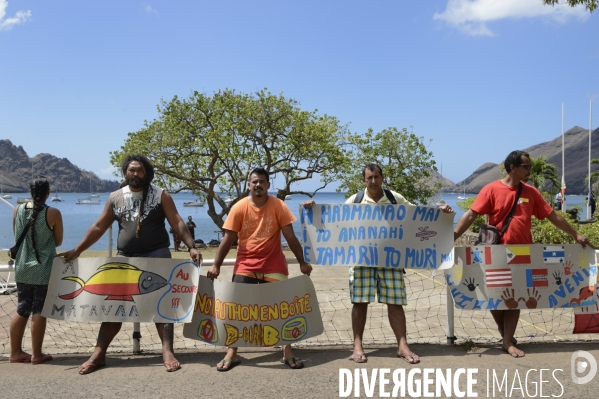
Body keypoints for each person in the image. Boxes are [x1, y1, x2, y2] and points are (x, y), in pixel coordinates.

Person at [59, 154, 202, 374]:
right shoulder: (115, 197)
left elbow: (177, 221)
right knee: (116, 306)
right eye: (131, 170)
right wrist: (77, 250)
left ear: (147, 173)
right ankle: (99, 354)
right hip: (126, 258)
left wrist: (191, 245)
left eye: (140, 170)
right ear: (125, 172)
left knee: (161, 306)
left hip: (157, 254)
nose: (135, 174)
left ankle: (167, 351)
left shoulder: (160, 195)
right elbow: (98, 227)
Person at [304, 163, 453, 365]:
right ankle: (357, 346)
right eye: (369, 178)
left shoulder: (394, 199)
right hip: (361, 260)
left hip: (391, 260)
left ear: (382, 178)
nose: (373, 181)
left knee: (395, 301)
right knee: (360, 301)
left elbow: (417, 216)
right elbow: (334, 221)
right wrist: (313, 210)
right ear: (363, 180)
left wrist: (439, 211)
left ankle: (402, 345)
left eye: (376, 176)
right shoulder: (355, 200)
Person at [454, 150, 593, 358]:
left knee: (516, 298)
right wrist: (454, 235)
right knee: (494, 298)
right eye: (526, 166)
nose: (530, 170)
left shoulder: (531, 192)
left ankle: (507, 341)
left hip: (523, 255)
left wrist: (575, 234)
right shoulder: (491, 189)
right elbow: (471, 214)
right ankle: (506, 336)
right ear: (513, 168)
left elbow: (552, 215)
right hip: (496, 254)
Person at [206, 167, 312, 371]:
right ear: (249, 185)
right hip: (245, 266)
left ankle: (286, 349)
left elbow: (290, 237)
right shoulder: (239, 207)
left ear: (268, 185)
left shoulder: (278, 206)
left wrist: (302, 262)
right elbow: (228, 239)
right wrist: (216, 264)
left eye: (262, 181)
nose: (258, 185)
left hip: (274, 266)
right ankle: (232, 352)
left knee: (282, 310)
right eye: (254, 181)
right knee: (236, 311)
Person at [9, 176, 63, 365]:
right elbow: (58, 241)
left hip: (23, 267)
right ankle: (36, 354)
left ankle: (15, 352)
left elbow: (16, 235)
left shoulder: (18, 209)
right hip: (43, 267)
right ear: (48, 193)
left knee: (22, 307)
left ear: (30, 192)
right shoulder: (53, 213)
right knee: (39, 309)